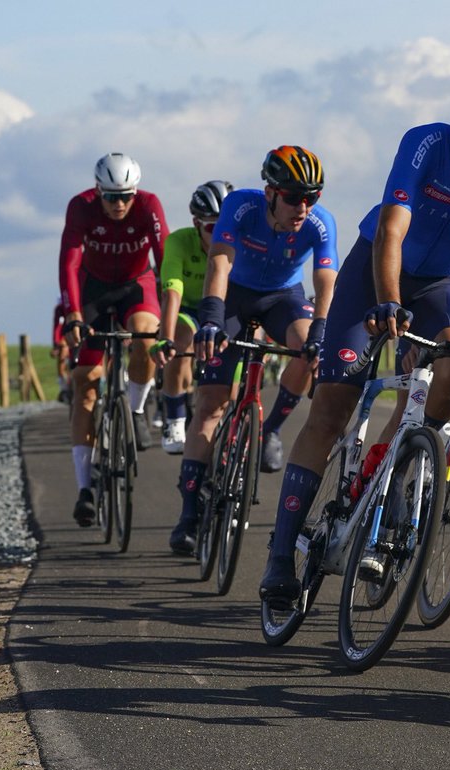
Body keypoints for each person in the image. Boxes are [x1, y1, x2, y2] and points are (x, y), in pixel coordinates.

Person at [258, 63, 450, 604]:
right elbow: (393, 227)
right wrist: (387, 298)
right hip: (374, 272)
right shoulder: (425, 145)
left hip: (441, 284)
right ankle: (280, 556)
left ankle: (412, 449)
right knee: (332, 407)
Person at [168, 146, 339, 556]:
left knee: (308, 351)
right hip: (234, 297)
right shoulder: (240, 206)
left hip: (282, 297)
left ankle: (272, 429)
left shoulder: (319, 222)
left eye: (312, 197)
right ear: (270, 193)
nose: (303, 206)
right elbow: (220, 264)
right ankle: (189, 511)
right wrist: (210, 317)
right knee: (211, 402)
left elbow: (326, 280)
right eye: (294, 197)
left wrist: (320, 331)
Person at [60, 153, 168, 527]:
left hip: (137, 285)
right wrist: (73, 313)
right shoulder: (81, 207)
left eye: (125, 196)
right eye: (110, 197)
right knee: (85, 384)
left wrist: (171, 316)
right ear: (98, 191)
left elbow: (164, 257)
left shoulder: (149, 205)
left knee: (145, 338)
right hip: (93, 289)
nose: (119, 204)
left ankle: (136, 410)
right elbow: (69, 261)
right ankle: (85, 489)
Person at [150, 180, 234, 454]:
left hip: (225, 309)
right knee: (180, 341)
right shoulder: (179, 241)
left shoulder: (242, 242)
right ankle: (174, 418)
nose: (220, 234)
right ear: (197, 223)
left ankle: (236, 424)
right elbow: (172, 292)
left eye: (226, 226)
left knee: (235, 377)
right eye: (213, 227)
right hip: (188, 308)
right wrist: (165, 340)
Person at [50, 298, 72, 404]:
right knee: (62, 359)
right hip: (64, 338)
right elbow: (57, 326)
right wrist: (56, 343)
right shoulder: (59, 309)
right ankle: (64, 387)